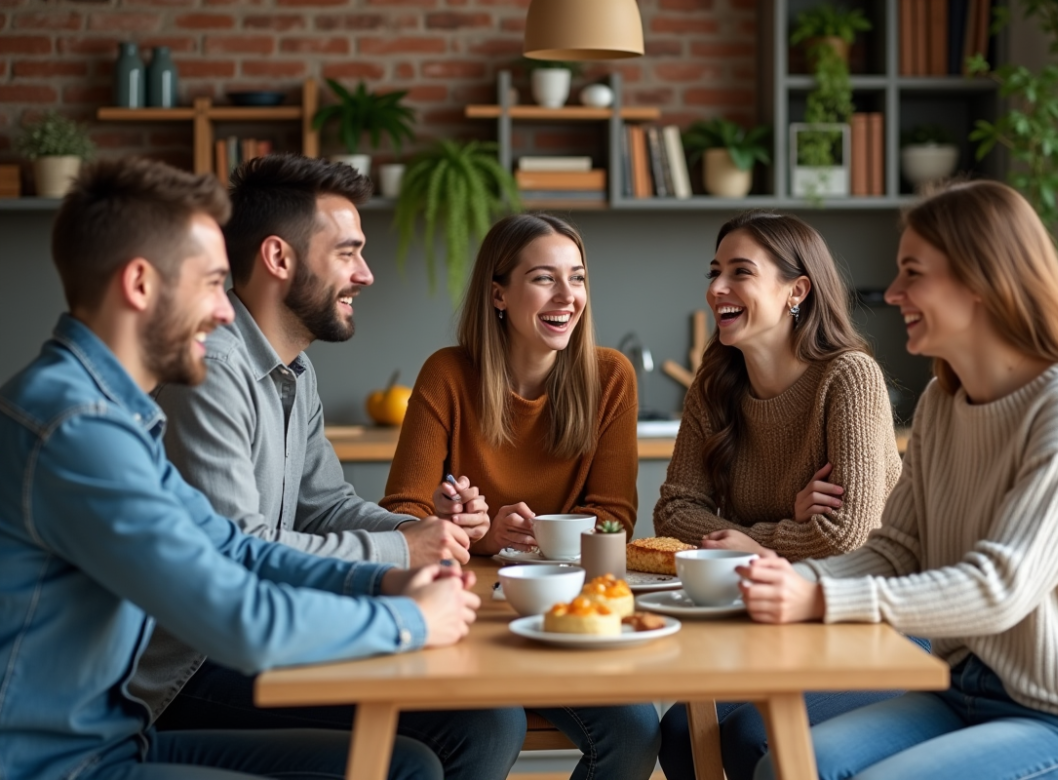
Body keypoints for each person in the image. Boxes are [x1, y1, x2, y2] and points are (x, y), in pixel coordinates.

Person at [0, 157, 480, 780]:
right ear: (141, 285)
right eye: (210, 283)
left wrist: (384, 582)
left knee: (408, 763)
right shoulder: (77, 429)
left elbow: (230, 546)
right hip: (61, 767)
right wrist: (408, 618)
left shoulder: (113, 414)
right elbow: (241, 618)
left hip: (119, 739)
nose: (227, 311)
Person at [744, 180, 1058, 780]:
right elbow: (898, 549)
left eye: (914, 273)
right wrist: (788, 580)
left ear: (982, 281)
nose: (892, 293)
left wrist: (820, 597)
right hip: (960, 693)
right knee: (785, 767)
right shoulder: (942, 401)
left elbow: (1000, 586)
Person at [131, 154, 523, 780]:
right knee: (468, 727)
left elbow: (327, 505)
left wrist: (418, 532)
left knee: (487, 718)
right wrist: (401, 555)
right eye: (347, 253)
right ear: (279, 259)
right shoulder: (210, 371)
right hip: (191, 666)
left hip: (264, 632)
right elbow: (238, 552)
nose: (365, 274)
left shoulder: (295, 370)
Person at [382, 213, 659, 780]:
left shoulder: (611, 378)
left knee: (635, 733)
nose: (568, 296)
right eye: (544, 278)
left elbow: (613, 521)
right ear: (499, 294)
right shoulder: (447, 374)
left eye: (577, 278)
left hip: (566, 618)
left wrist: (533, 537)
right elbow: (401, 514)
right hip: (469, 614)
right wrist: (467, 531)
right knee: (490, 731)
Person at [653, 211, 914, 780]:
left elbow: (850, 538)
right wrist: (782, 534)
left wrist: (753, 540)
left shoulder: (849, 378)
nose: (717, 287)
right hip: (777, 624)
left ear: (797, 290)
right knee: (677, 733)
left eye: (740, 272)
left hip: (872, 629)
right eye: (715, 270)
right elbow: (673, 511)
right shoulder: (715, 384)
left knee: (750, 739)